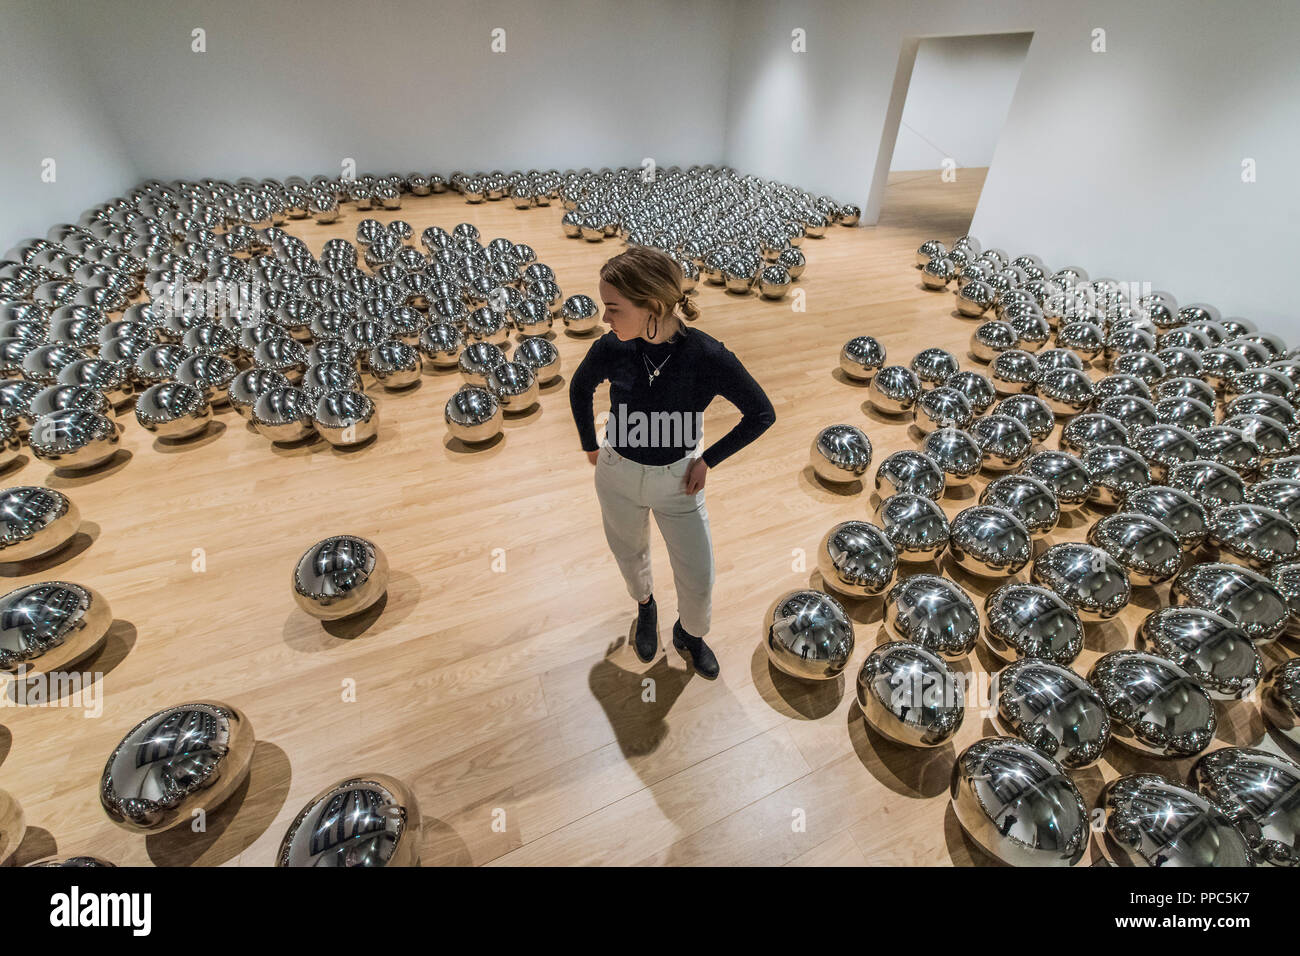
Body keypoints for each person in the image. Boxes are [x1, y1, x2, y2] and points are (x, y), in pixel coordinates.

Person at [568, 246, 776, 679]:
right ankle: (645, 607)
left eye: (613, 308)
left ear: (654, 308)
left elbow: (761, 414)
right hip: (617, 476)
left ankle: (689, 634)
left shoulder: (708, 356)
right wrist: (591, 444)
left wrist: (708, 461)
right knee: (629, 553)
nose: (605, 319)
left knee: (698, 577)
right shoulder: (612, 347)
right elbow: (579, 387)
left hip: (678, 482)